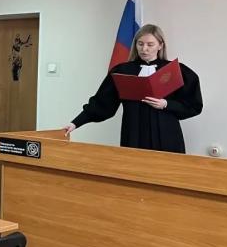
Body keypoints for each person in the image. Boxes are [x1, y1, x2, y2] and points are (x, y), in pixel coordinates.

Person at [64, 24, 202, 153]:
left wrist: (166, 104)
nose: (144, 49)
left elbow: (193, 105)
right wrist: (75, 123)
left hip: (167, 135)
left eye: (150, 44)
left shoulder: (175, 71)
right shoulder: (122, 71)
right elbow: (101, 104)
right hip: (134, 135)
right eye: (140, 44)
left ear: (160, 45)